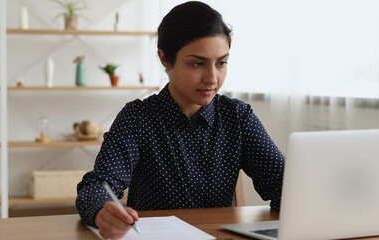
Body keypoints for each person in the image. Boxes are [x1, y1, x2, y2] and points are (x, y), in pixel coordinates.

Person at [76, 1, 285, 239]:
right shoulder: (138, 118)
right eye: (198, 63)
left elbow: (284, 184)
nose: (212, 78)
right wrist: (102, 210)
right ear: (165, 58)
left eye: (221, 63)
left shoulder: (237, 117)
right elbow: (96, 186)